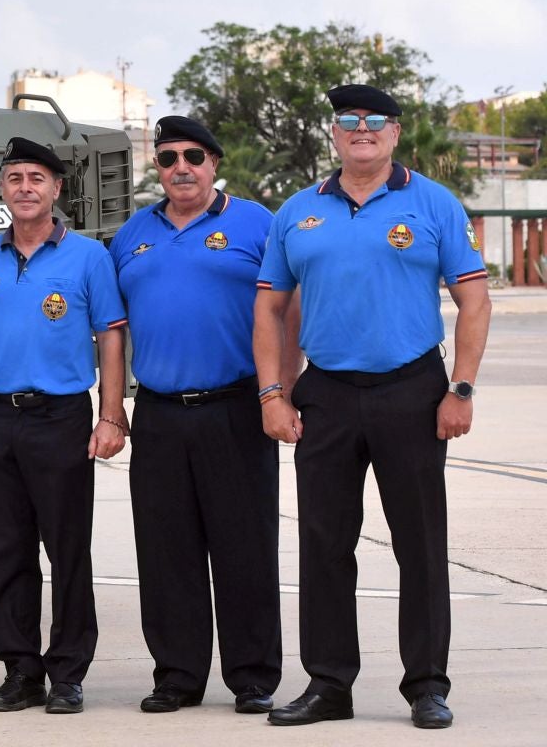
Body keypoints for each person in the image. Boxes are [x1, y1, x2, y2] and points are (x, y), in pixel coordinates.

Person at [255, 85, 490, 730]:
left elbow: (474, 301)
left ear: (395, 132)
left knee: (420, 544)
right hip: (326, 393)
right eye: (349, 121)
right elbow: (270, 307)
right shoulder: (298, 212)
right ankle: (329, 684)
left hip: (411, 390)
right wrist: (273, 392)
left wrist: (459, 389)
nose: (362, 130)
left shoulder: (434, 203)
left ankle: (426, 686)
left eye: (375, 121)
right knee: (324, 543)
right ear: (334, 133)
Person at [0, 135, 127, 715]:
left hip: (61, 419)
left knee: (68, 550)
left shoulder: (87, 257)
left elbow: (111, 335)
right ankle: (20, 671)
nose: (25, 188)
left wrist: (109, 412)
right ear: (4, 188)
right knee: (6, 553)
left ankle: (69, 672)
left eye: (36, 179)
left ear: (55, 189)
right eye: (15, 178)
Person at [111, 116, 281, 715]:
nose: (179, 168)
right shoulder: (130, 234)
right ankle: (177, 676)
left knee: (245, 547)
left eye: (191, 156)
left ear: (213, 162)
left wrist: (279, 390)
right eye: (166, 158)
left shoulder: (258, 224)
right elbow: (112, 329)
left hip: (235, 407)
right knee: (165, 551)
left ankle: (253, 677)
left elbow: (291, 310)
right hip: (158, 414)